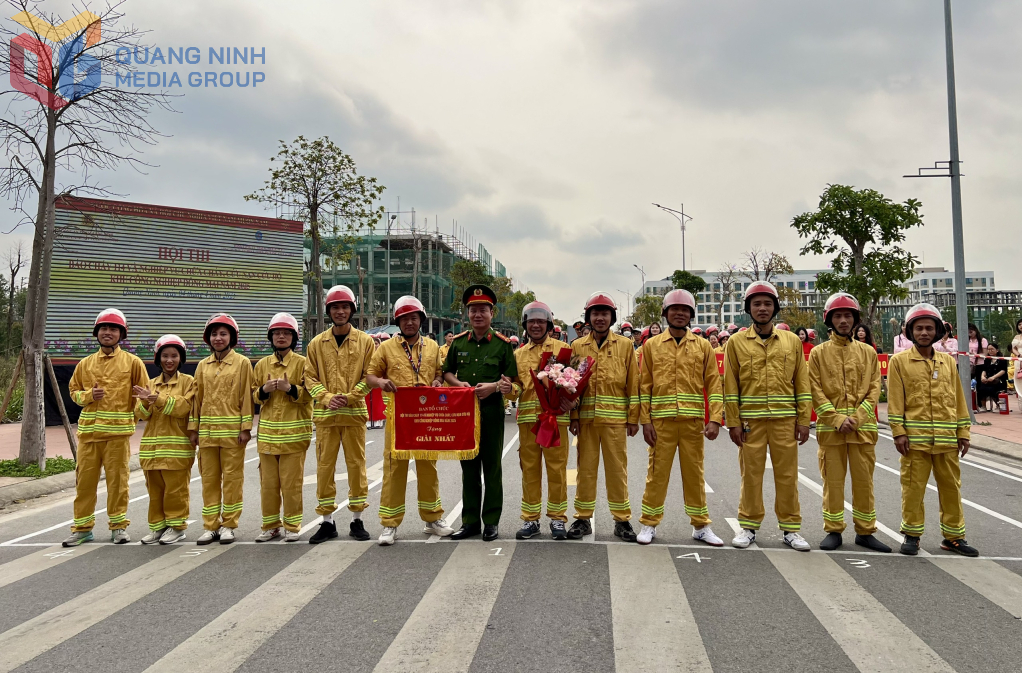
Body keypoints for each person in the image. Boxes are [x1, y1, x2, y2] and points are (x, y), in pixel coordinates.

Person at [724, 282, 812, 551]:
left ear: (775, 308)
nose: (762, 308)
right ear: (748, 309)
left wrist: (804, 420)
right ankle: (748, 526)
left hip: (785, 421)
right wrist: (733, 423)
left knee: (787, 476)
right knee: (751, 475)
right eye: (757, 304)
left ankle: (791, 529)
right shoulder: (736, 342)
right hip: (751, 423)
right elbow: (730, 385)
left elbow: (802, 383)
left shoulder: (792, 342)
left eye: (767, 303)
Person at [636, 290, 724, 547]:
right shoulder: (651, 346)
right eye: (674, 309)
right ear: (665, 313)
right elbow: (645, 386)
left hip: (693, 423)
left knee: (694, 475)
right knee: (656, 474)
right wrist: (646, 421)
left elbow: (714, 384)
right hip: (661, 424)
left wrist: (715, 418)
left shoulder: (703, 346)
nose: (679, 313)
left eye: (684, 310)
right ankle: (649, 523)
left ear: (691, 315)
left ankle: (700, 525)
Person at [888, 303, 976, 557]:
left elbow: (959, 399)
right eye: (919, 328)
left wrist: (963, 432)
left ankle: (954, 537)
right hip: (915, 442)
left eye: (929, 328)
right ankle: (912, 535)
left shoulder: (948, 362)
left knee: (951, 488)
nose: (924, 332)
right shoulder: (899, 362)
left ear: (937, 331)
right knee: (913, 488)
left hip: (947, 441)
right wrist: (898, 432)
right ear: (910, 332)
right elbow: (895, 400)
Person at [368, 296, 454, 545]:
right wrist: (381, 382)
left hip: (426, 419)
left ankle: (432, 518)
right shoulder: (385, 348)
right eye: (404, 318)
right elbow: (371, 375)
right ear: (398, 321)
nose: (409, 322)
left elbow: (439, 373)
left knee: (428, 469)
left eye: (414, 318)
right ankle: (389, 524)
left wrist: (438, 381)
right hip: (398, 420)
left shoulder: (432, 347)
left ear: (421, 320)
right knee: (395, 470)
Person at [808, 294, 889, 553]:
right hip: (831, 431)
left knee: (864, 482)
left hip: (862, 430)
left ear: (855, 320)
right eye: (838, 316)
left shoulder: (868, 352)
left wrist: (857, 417)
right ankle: (833, 530)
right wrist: (836, 418)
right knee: (832, 482)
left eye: (848, 316)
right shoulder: (818, 353)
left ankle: (865, 532)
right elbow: (815, 390)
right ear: (829, 320)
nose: (843, 320)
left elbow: (874, 389)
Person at [64, 309, 149, 547]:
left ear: (121, 333)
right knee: (85, 483)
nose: (108, 332)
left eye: (113, 329)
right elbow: (74, 393)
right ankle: (82, 529)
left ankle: (118, 527)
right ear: (97, 333)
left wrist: (145, 411)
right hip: (89, 436)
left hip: (118, 436)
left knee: (118, 483)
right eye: (104, 328)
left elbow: (143, 395)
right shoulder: (85, 364)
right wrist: (89, 395)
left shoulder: (133, 363)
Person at [444, 284, 517, 541]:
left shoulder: (503, 344)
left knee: (492, 468)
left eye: (482, 310)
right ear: (467, 314)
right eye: (473, 310)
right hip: (464, 415)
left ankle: (491, 521)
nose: (477, 315)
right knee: (469, 469)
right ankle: (470, 521)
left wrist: (495, 386)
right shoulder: (459, 342)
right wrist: (458, 385)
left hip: (491, 413)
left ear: (491, 313)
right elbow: (447, 372)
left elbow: (511, 379)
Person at [304, 285, 375, 543]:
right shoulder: (316, 344)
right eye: (335, 307)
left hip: (354, 414)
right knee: (324, 468)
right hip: (326, 417)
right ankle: (327, 521)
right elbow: (309, 377)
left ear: (352, 310)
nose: (340, 311)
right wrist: (327, 397)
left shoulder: (366, 342)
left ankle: (357, 519)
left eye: (345, 307)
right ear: (329, 311)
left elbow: (370, 375)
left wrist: (351, 395)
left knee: (357, 467)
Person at [567, 292, 640, 542]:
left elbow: (633, 383)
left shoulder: (625, 345)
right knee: (585, 470)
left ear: (612, 317)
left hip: (616, 422)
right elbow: (572, 385)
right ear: (588, 317)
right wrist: (573, 417)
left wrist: (633, 418)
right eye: (595, 313)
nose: (600, 318)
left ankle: (622, 520)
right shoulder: (578, 347)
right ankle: (582, 518)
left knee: (616, 471)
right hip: (586, 421)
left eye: (604, 313)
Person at [508, 301, 573, 540]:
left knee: (557, 470)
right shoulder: (517, 355)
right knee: (529, 471)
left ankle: (557, 519)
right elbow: (515, 388)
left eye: (540, 321)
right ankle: (531, 519)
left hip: (555, 421)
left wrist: (571, 403)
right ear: (525, 325)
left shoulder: (563, 350)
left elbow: (573, 381)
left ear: (548, 324)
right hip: (528, 422)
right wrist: (507, 388)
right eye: (531, 321)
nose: (536, 325)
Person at [189, 314, 255, 545]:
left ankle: (229, 524)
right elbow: (197, 399)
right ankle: (210, 526)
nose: (218, 338)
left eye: (223, 334)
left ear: (232, 337)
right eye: (214, 334)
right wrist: (193, 429)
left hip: (232, 436)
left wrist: (246, 428)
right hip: (207, 435)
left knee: (232, 481)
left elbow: (247, 397)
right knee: (208, 480)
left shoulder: (242, 363)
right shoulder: (202, 366)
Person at [253, 313, 313, 543]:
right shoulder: (261, 365)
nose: (281, 337)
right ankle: (270, 526)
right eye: (277, 333)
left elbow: (311, 395)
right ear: (271, 336)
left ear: (294, 337)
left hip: (294, 437)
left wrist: (291, 389)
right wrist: (264, 391)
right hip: (267, 438)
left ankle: (292, 525)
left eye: (286, 333)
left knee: (291, 485)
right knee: (268, 485)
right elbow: (253, 395)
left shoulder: (303, 363)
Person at [135, 335, 195, 545]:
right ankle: (157, 527)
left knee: (175, 491)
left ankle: (177, 526)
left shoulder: (189, 382)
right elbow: (141, 414)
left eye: (174, 356)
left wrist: (158, 399)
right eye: (165, 356)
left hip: (177, 449)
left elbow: (183, 408)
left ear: (181, 358)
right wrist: (145, 401)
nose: (169, 360)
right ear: (158, 358)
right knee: (154, 491)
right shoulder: (150, 384)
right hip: (152, 450)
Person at [976, 344, 1008, 412]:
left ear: (997, 350)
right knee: (981, 388)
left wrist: (993, 377)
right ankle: (983, 406)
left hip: (999, 380)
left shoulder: (1002, 359)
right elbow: (984, 370)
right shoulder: (987, 359)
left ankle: (998, 406)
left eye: (992, 349)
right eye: (989, 349)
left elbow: (1003, 370)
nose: (990, 351)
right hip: (989, 379)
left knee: (994, 389)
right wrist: (982, 377)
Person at [1012, 319, 1022, 401]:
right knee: (1019, 379)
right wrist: (1018, 355)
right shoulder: (1016, 337)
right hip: (1018, 360)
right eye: (1019, 324)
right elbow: (1013, 348)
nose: (1021, 326)